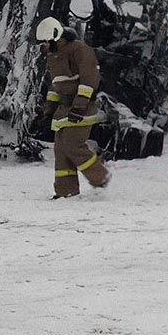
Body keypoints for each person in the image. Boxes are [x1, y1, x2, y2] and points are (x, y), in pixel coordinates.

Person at [38, 17, 110, 199]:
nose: (44, 46)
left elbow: (89, 79)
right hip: (64, 109)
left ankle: (100, 176)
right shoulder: (54, 57)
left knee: (73, 144)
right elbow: (54, 86)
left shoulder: (79, 50)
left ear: (56, 37)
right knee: (61, 150)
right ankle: (65, 191)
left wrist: (79, 106)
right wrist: (49, 110)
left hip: (83, 108)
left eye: (46, 42)